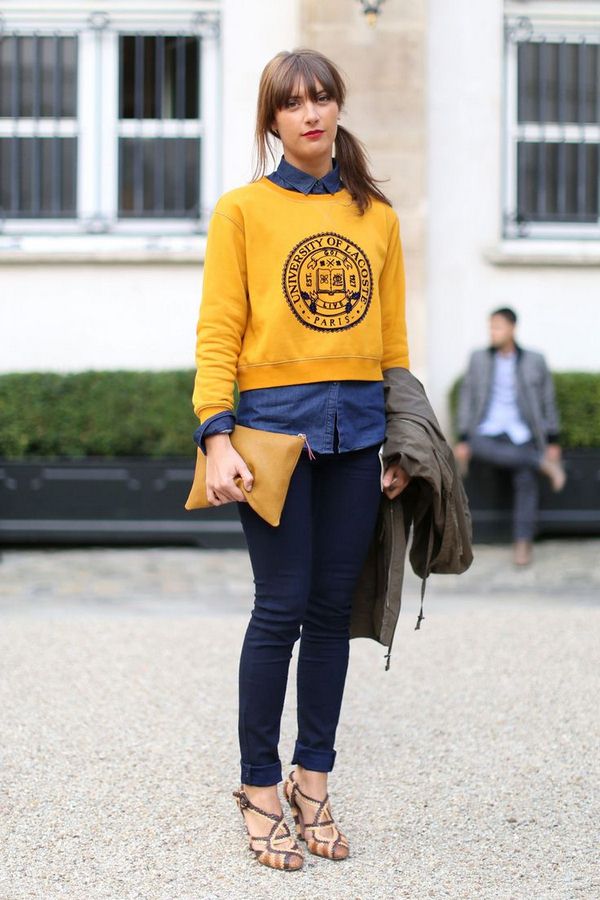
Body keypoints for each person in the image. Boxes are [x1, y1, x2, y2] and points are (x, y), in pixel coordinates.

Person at [191, 48, 412, 870]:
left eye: (322, 97)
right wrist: (215, 435)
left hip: (358, 440)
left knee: (329, 616)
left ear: (338, 106)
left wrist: (402, 441)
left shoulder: (377, 218)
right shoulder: (242, 212)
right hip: (271, 441)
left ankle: (310, 779)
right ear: (273, 120)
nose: (311, 113)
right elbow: (218, 330)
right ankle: (257, 785)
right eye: (293, 103)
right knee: (278, 607)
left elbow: (392, 343)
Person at [454, 307, 566, 566]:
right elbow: (467, 397)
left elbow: (548, 401)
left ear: (512, 329)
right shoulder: (478, 359)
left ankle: (522, 542)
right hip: (487, 431)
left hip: (521, 433)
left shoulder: (534, 360)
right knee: (478, 445)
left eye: (498, 327)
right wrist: (463, 438)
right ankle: (541, 463)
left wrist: (553, 441)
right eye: (490, 327)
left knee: (525, 477)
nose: (492, 332)